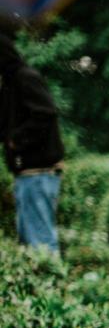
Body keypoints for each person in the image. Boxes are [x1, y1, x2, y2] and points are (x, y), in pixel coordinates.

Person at [0, 29, 65, 254]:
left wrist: (16, 141)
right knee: (31, 242)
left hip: (38, 173)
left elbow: (46, 113)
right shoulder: (11, 84)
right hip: (29, 173)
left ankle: (52, 288)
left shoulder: (24, 77)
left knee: (40, 243)